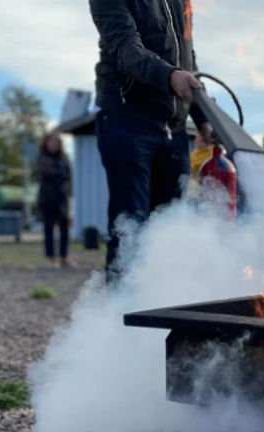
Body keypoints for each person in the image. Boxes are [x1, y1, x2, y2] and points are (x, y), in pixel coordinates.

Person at [89, 0, 214, 284]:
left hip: (175, 129)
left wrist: (203, 116)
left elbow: (188, 62)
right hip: (126, 120)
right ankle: (120, 320)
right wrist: (169, 76)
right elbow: (125, 50)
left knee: (168, 232)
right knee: (131, 230)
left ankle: (160, 313)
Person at [36, 132, 73, 268]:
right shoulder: (42, 158)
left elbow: (68, 174)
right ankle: (51, 258)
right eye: (51, 142)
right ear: (46, 143)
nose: (54, 145)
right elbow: (46, 173)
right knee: (48, 228)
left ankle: (64, 256)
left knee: (64, 227)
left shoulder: (64, 158)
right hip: (47, 196)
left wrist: (57, 173)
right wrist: (58, 173)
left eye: (56, 142)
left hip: (61, 196)